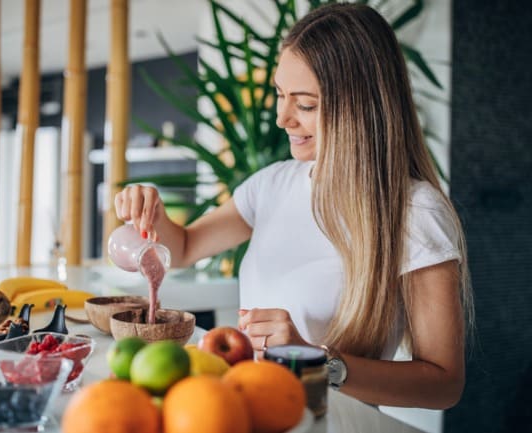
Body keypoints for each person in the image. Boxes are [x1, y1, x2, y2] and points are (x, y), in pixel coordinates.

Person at [114, 2, 472, 409]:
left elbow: (444, 384)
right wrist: (152, 210)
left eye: (305, 105)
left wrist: (315, 359)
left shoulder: (414, 212)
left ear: (361, 108)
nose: (283, 118)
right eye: (281, 95)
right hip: (248, 411)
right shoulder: (272, 184)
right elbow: (184, 249)